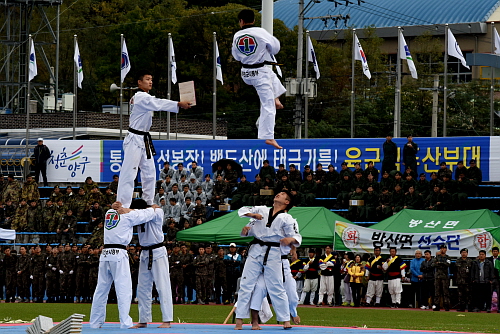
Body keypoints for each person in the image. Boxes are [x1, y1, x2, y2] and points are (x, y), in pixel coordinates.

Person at [116, 70, 191, 209]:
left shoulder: (145, 97)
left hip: (144, 138)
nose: (150, 81)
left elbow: (155, 102)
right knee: (129, 171)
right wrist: (178, 104)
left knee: (150, 172)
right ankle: (122, 203)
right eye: (147, 79)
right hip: (134, 139)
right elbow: (158, 103)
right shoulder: (140, 97)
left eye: (151, 79)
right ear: (139, 82)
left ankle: (148, 201)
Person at [89, 201, 163, 329]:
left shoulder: (109, 213)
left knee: (101, 290)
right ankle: (125, 322)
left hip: (105, 253)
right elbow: (144, 215)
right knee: (124, 289)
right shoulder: (127, 215)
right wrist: (153, 209)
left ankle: (95, 322)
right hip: (118, 253)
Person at [235, 191, 301, 330]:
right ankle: (239, 319)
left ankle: (285, 319)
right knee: (246, 285)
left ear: (286, 202)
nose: (278, 194)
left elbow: (295, 236)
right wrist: (249, 221)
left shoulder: (287, 218)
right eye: (278, 193)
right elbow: (242, 210)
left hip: (274, 253)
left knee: (276, 286)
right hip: (256, 250)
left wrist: (290, 241)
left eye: (282, 194)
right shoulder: (262, 210)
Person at [116, 199, 173, 329]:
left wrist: (136, 210)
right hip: (145, 252)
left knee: (162, 286)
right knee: (142, 288)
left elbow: (150, 211)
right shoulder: (137, 216)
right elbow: (128, 215)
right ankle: (143, 320)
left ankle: (167, 320)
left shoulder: (156, 212)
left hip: (158, 251)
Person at [232, 9, 283, 150]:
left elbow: (235, 55)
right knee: (268, 105)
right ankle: (269, 137)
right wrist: (265, 48)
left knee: (271, 75)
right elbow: (276, 48)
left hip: (245, 73)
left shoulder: (237, 35)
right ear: (253, 20)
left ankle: (276, 97)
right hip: (259, 73)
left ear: (241, 21)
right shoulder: (260, 32)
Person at [432, 244, 451, 311]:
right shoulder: (436, 257)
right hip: (437, 277)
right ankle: (437, 305)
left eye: (444, 248)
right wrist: (442, 263)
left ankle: (446, 305)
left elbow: (447, 264)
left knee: (445, 292)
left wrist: (439, 263)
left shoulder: (448, 257)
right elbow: (433, 264)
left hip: (445, 277)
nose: (443, 250)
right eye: (442, 248)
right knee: (437, 292)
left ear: (446, 249)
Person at [455, 248, 473, 312]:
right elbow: (455, 271)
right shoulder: (458, 261)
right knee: (460, 295)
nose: (464, 254)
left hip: (467, 281)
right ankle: (461, 307)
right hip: (460, 281)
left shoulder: (470, 261)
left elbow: (472, 271)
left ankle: (469, 307)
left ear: (467, 253)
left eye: (465, 252)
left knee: (468, 295)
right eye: (462, 252)